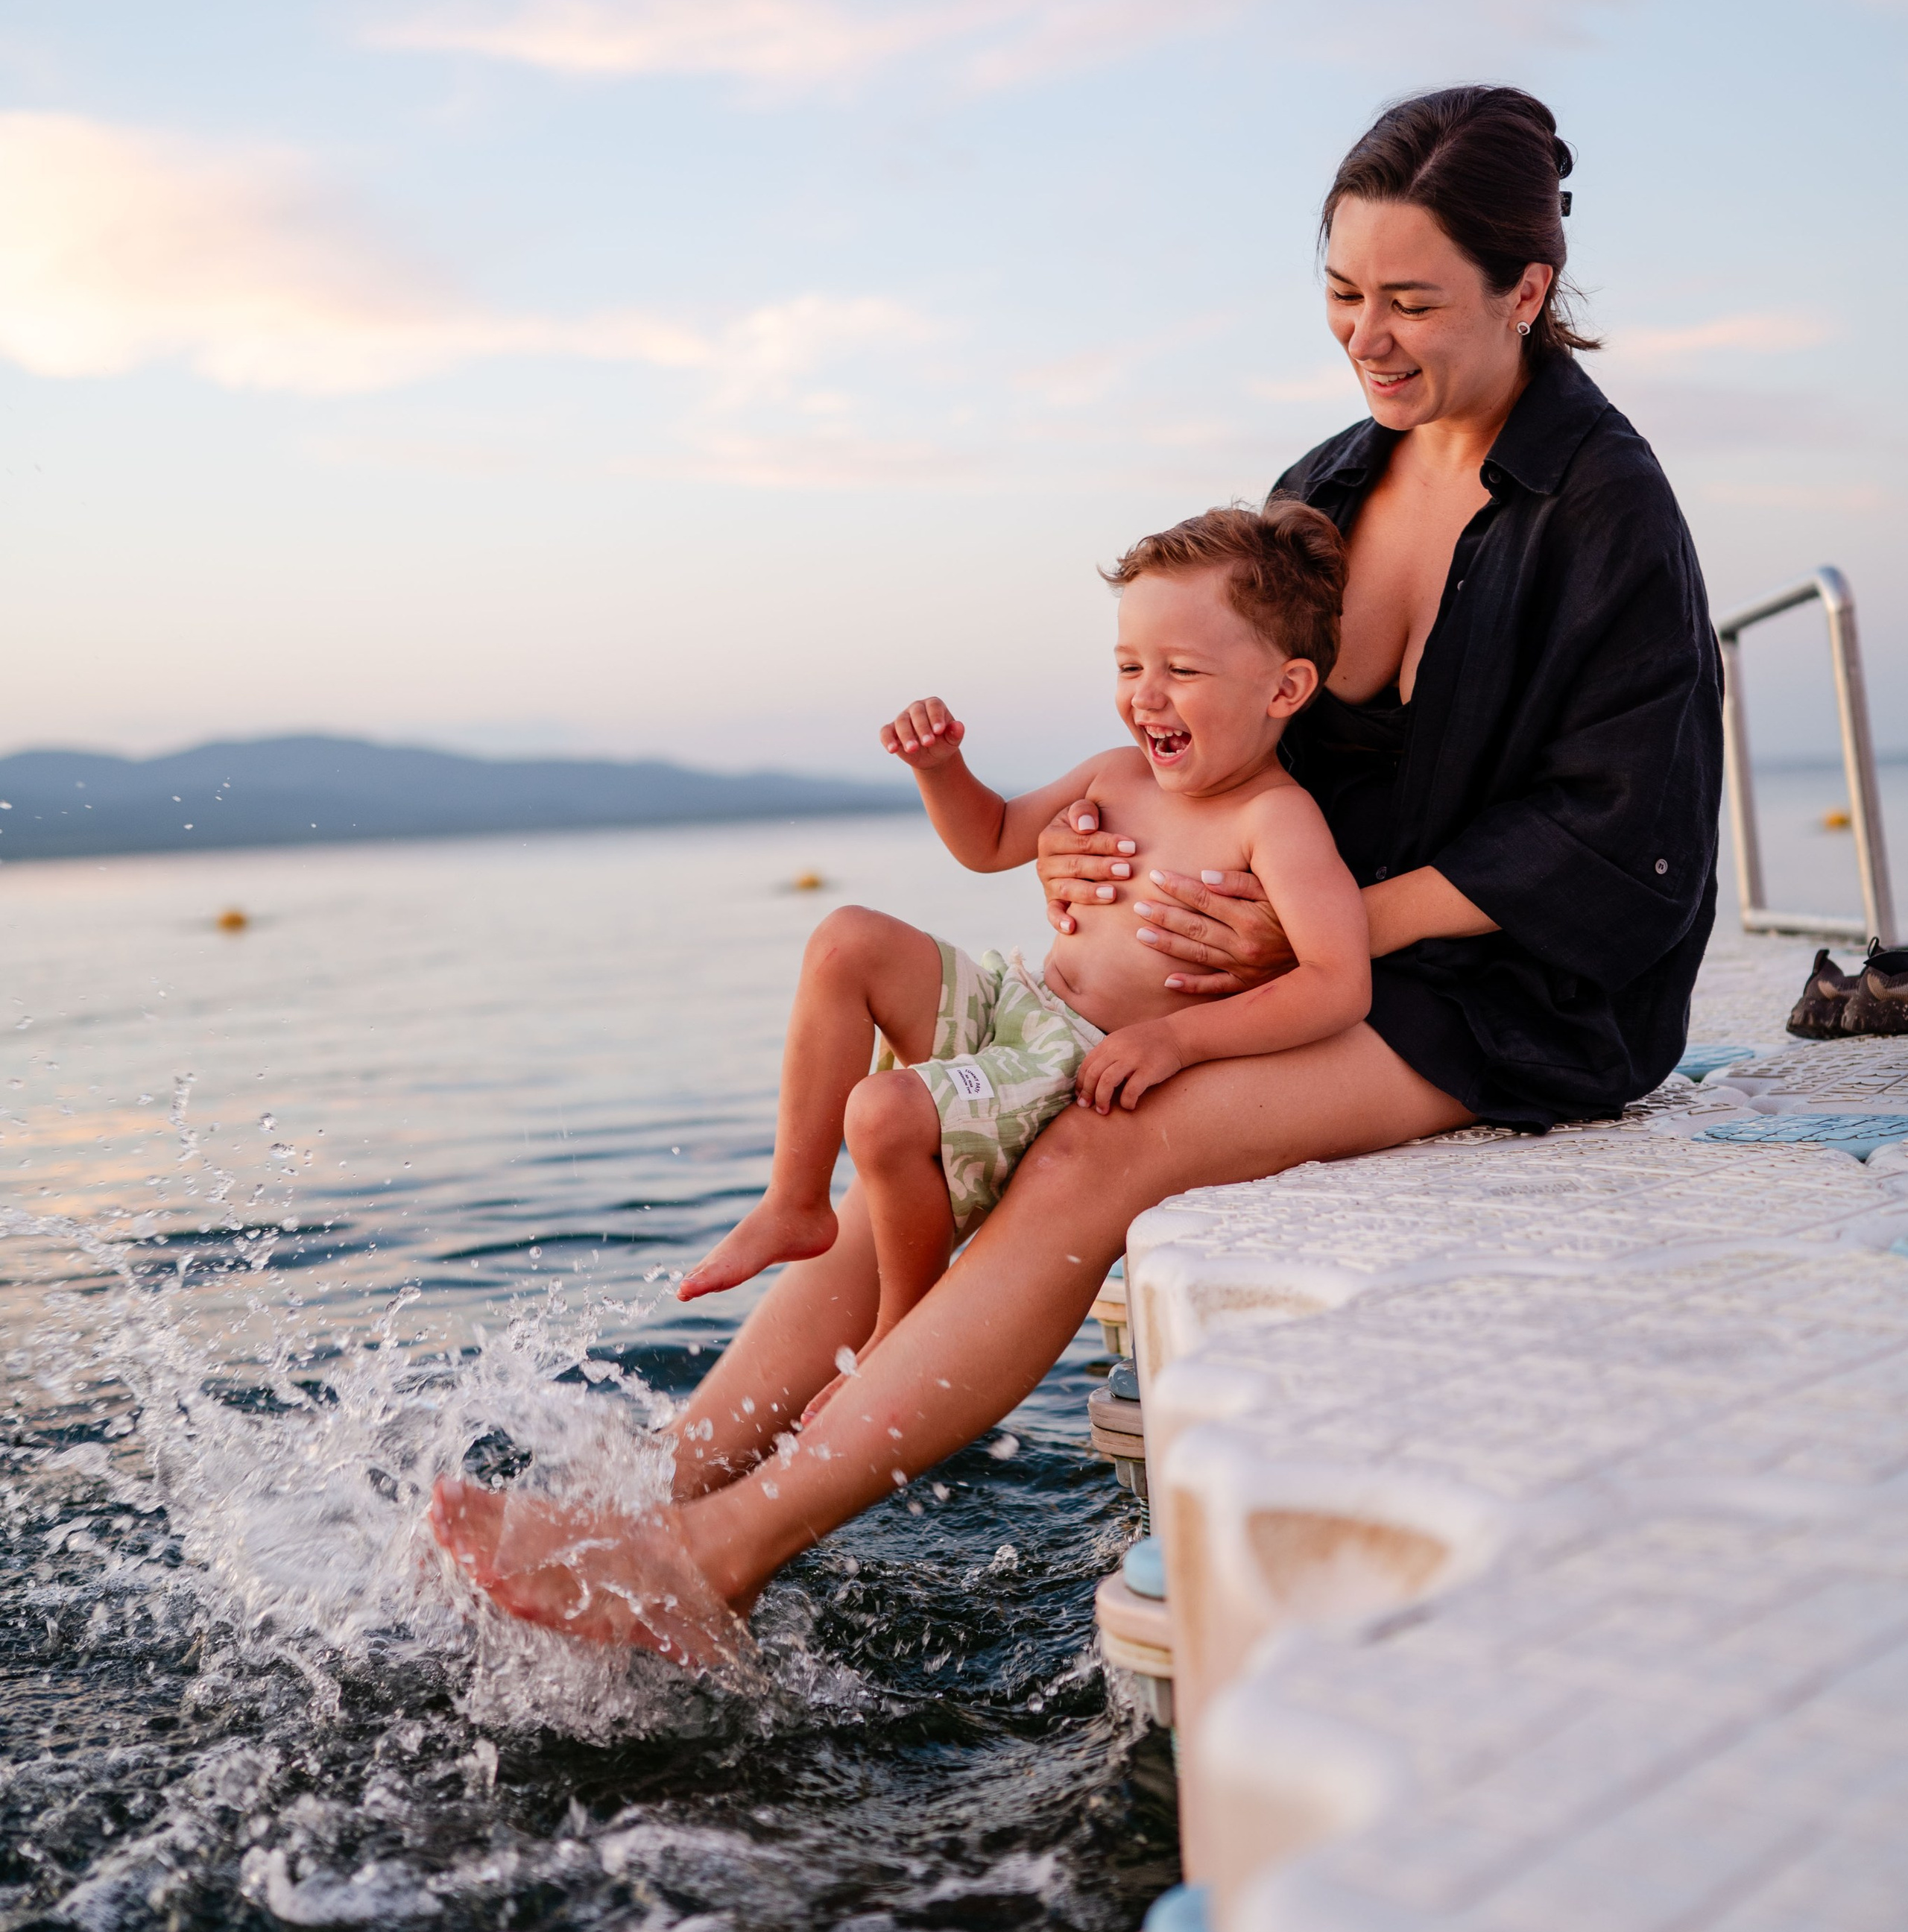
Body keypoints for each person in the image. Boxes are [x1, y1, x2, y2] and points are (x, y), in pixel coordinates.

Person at [431, 83, 1724, 1672]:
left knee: (1091, 1148)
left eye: (1408, 303)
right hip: (1281, 956)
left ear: (1526, 290)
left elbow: (1617, 838)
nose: (1363, 340)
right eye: (1336, 295)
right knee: (930, 1127)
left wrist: (1287, 938)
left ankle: (714, 1555)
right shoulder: (1324, 483)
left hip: (1498, 992)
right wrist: (1103, 851)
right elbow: (1231, 742)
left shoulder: (1605, 509)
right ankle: (651, 1484)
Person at [675, 502, 1368, 1389]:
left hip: (1070, 1065)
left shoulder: (1275, 821)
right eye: (1128, 665)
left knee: (884, 1112)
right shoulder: (1116, 772)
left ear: (1285, 689)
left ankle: (905, 1321)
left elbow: (1336, 982)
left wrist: (1174, 1038)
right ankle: (795, 1200)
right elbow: (991, 840)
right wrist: (941, 770)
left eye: (1181, 669)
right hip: (1017, 1002)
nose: (1144, 695)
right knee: (843, 939)